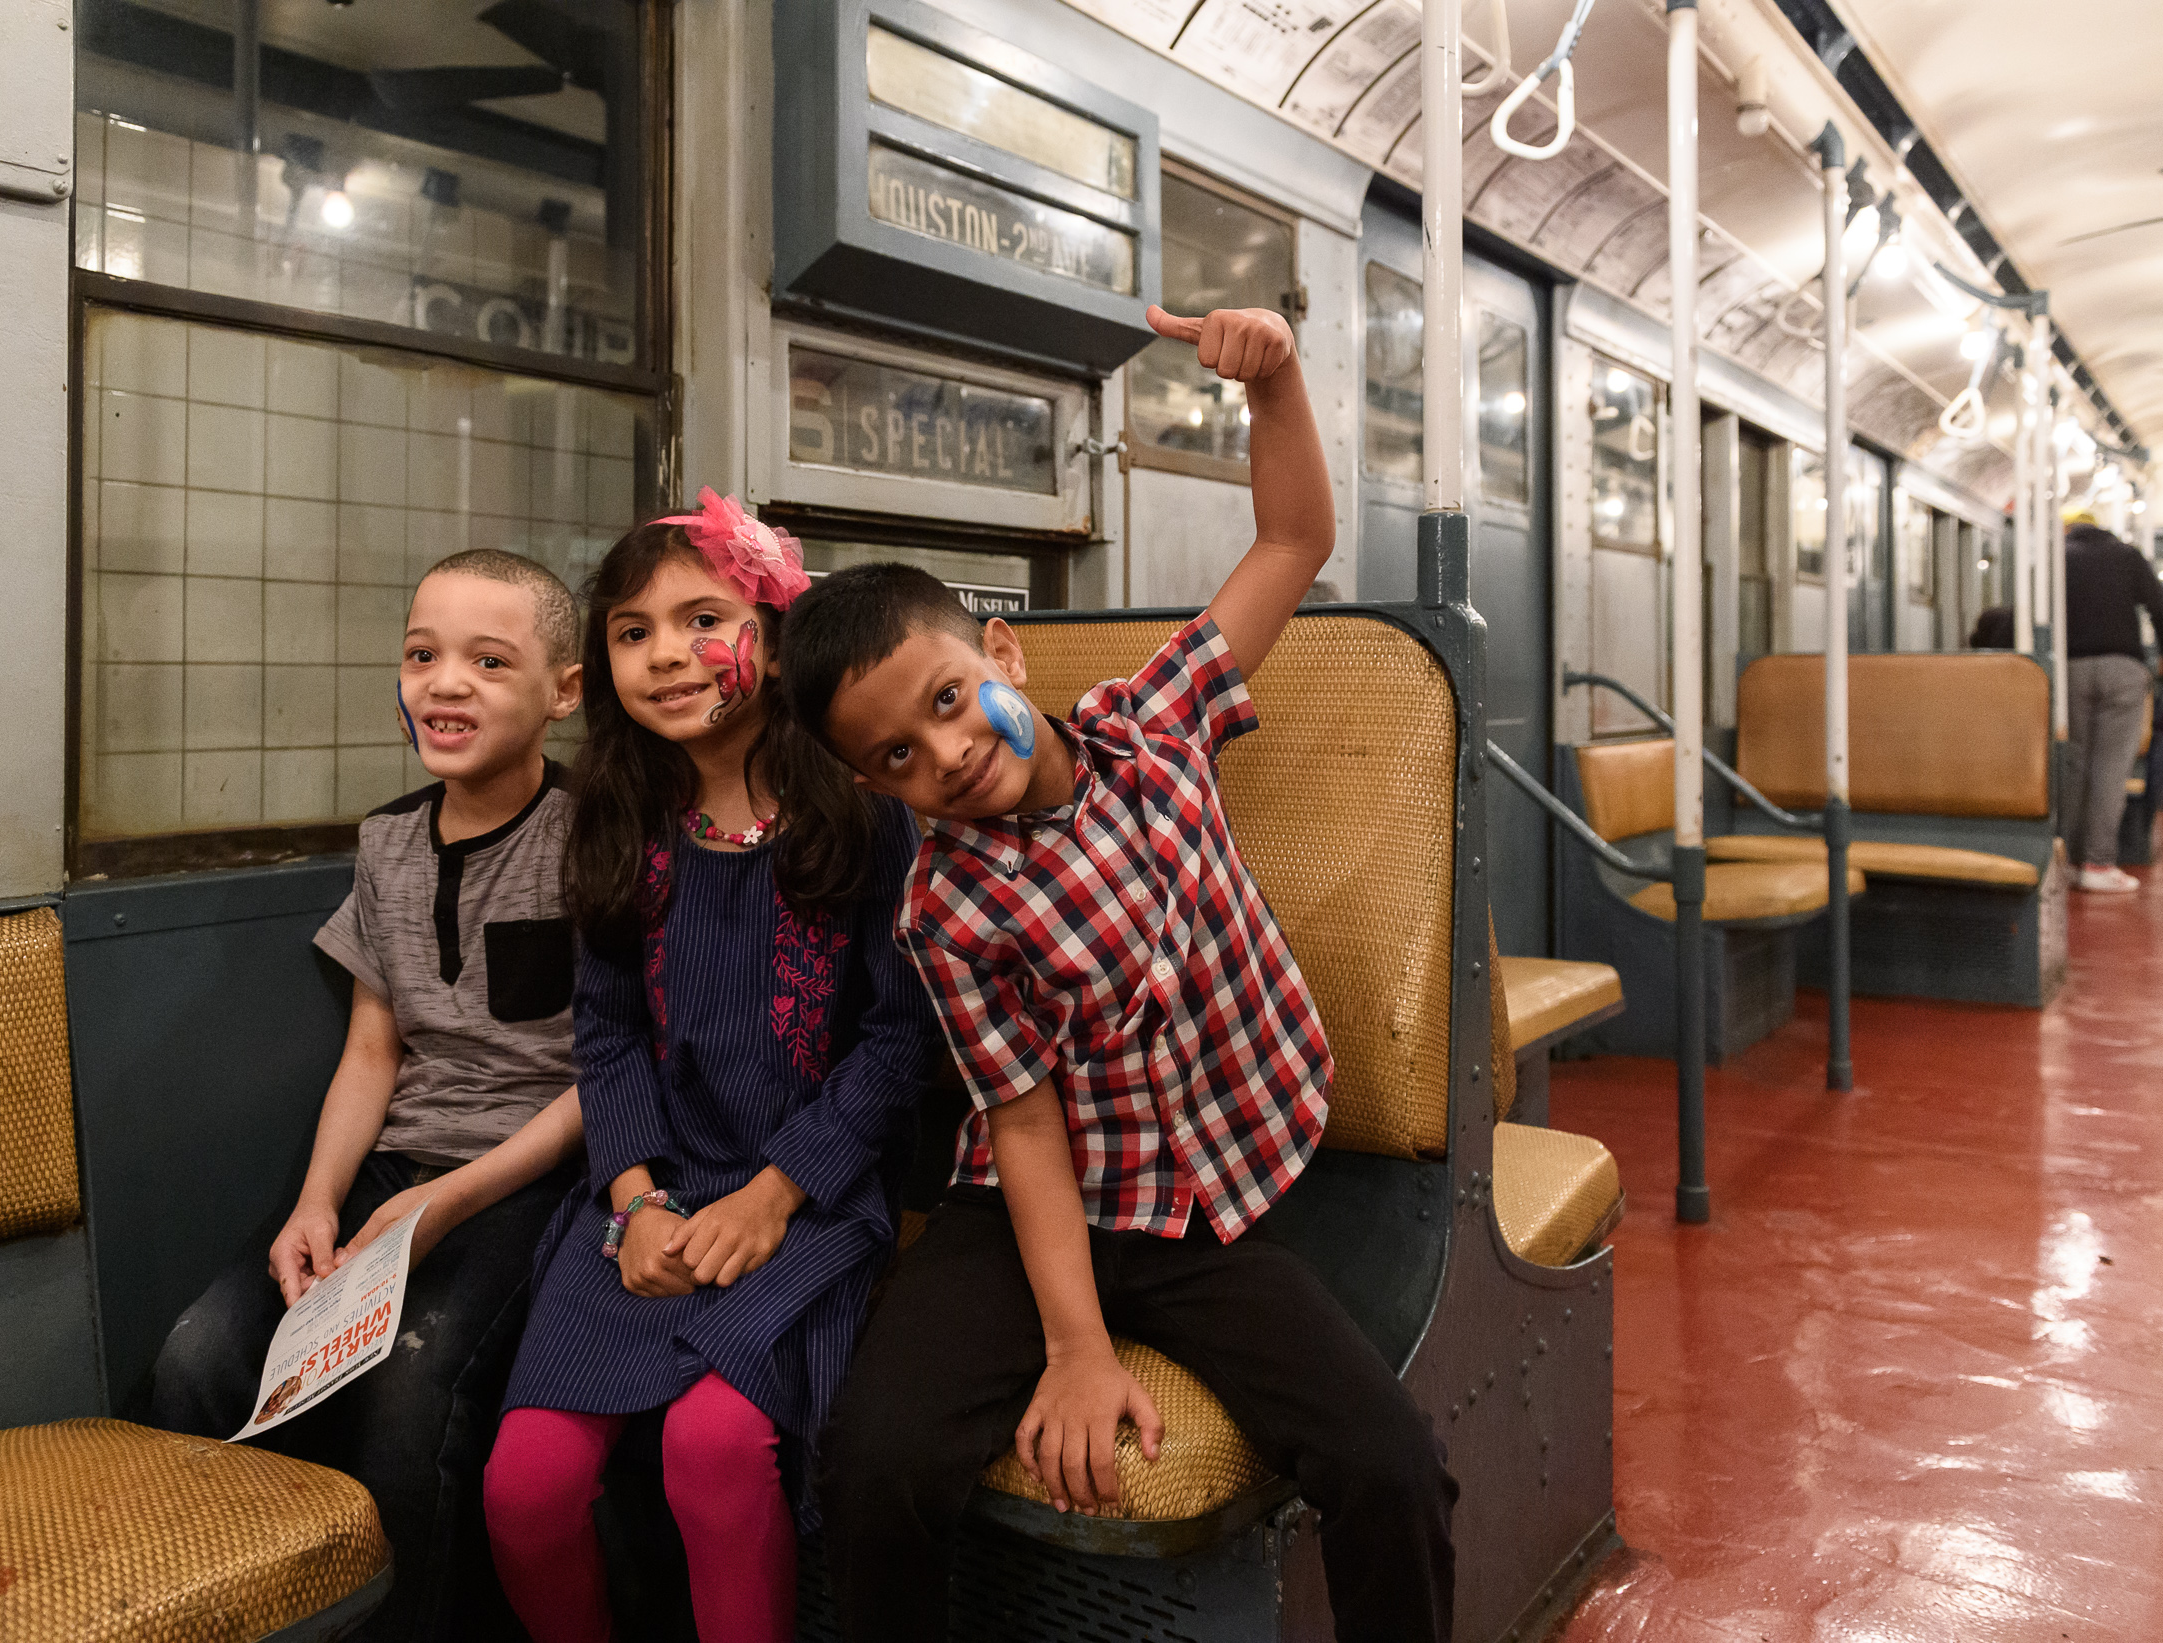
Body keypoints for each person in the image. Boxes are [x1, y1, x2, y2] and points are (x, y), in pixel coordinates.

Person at [789, 305, 1458, 1643]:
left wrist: (1273, 387)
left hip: (1203, 1207)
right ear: (872, 785)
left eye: (943, 700)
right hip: (1032, 1202)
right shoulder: (948, 905)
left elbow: (1293, 541)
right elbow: (1023, 1124)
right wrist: (1075, 1345)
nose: (941, 755)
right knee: (874, 1462)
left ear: (1005, 659)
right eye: (895, 759)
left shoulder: (1153, 728)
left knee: (1390, 1465)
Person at [480, 496, 940, 1643]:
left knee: (714, 1446)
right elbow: (607, 1030)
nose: (667, 654)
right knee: (524, 1487)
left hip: (811, 1195)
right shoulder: (617, 816)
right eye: (632, 632)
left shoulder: (868, 814)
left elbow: (900, 1040)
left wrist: (775, 1190)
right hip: (651, 1188)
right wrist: (632, 1195)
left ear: (773, 637)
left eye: (703, 618)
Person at [142, 548, 591, 1643]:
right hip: (396, 1164)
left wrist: (453, 1200)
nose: (447, 682)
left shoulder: (594, 837)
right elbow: (372, 1052)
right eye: (422, 654)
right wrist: (316, 1203)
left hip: (533, 1174)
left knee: (409, 1402)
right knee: (199, 1356)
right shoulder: (387, 841)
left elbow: (606, 1074)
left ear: (563, 693)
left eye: (490, 661)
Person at [2063, 511, 2163, 893]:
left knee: (2074, 765)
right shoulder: (2127, 555)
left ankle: (2067, 862)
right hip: (2122, 667)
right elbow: (2162, 609)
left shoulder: (2058, 556)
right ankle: (2098, 864)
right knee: (2111, 768)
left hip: (2070, 669)